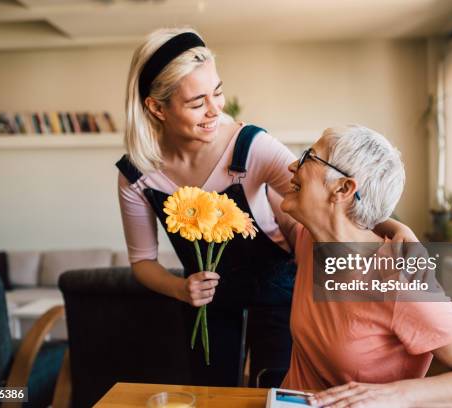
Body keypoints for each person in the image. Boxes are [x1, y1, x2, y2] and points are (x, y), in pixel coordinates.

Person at [116, 28, 417, 386]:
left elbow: (324, 196)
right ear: (156, 107)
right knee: (210, 393)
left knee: (271, 388)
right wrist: (181, 289)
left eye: (218, 92)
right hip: (206, 308)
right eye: (197, 103)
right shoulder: (136, 175)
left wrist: (393, 227)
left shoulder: (250, 146)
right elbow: (143, 263)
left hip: (278, 296)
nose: (215, 110)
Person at [279, 125, 452, 407]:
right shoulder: (310, 238)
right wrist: (398, 225)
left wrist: (395, 394)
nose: (292, 164)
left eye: (307, 157)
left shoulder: (398, 278)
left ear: (343, 188)